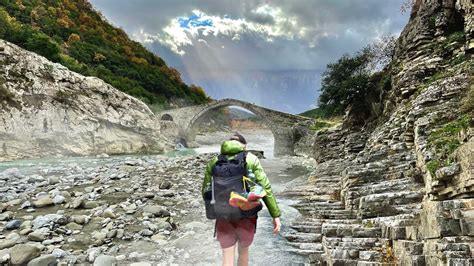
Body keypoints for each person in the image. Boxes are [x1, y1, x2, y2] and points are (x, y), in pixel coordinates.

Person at [202, 133, 281, 266]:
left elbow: (206, 190)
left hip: (223, 213)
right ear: (244, 146)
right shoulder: (251, 159)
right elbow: (265, 187)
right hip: (247, 214)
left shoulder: (214, 161)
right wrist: (275, 215)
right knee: (243, 252)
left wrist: (213, 211)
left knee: (227, 255)